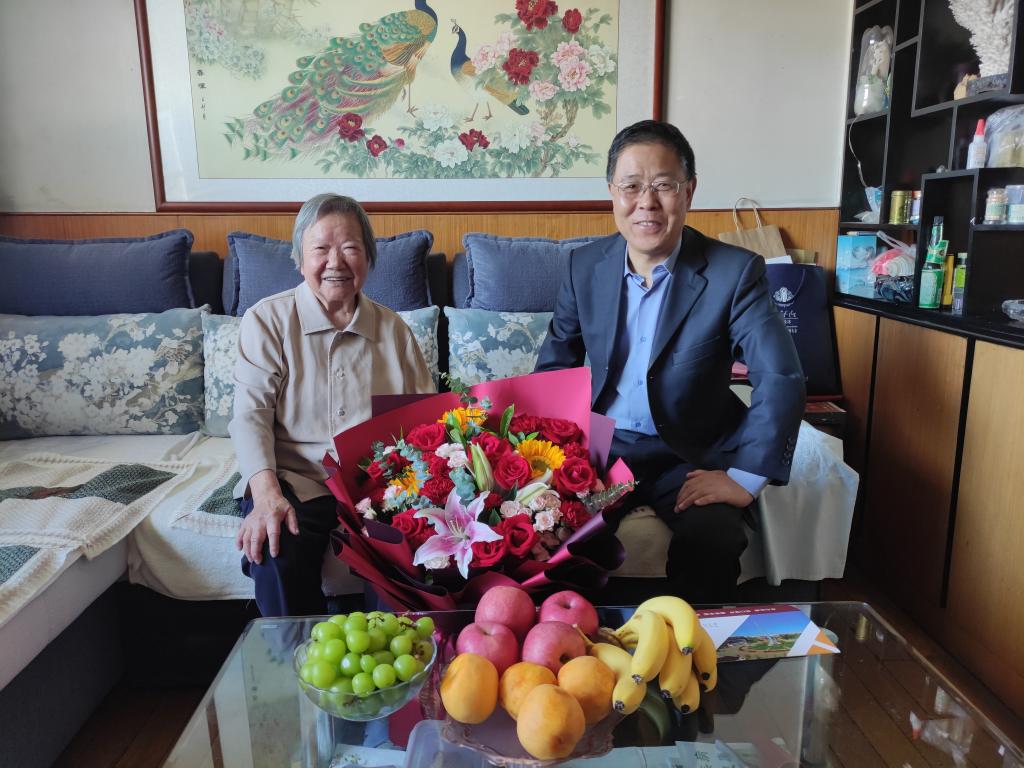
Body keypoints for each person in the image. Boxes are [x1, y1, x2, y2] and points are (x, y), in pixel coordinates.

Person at [535, 121, 805, 604]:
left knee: (713, 537)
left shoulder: (734, 272)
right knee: (549, 533)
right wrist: (545, 462)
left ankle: (692, 645)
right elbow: (555, 369)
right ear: (612, 192)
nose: (647, 203)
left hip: (692, 452)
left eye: (663, 185)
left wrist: (745, 478)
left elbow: (779, 375)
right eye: (631, 186)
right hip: (604, 452)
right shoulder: (584, 266)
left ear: (689, 191)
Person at [230, 193, 434, 617]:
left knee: (411, 561)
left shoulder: (394, 330)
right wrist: (265, 494)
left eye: (350, 248)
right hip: (295, 479)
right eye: (320, 248)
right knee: (274, 554)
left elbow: (425, 423)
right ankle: (296, 655)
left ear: (369, 258)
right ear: (299, 259)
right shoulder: (267, 321)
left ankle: (393, 654)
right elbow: (251, 417)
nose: (335, 262)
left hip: (374, 486)